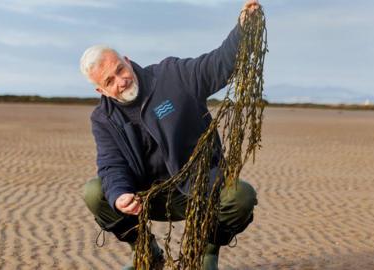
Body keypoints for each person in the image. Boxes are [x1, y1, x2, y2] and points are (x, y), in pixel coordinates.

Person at [81, 1, 260, 269]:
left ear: (127, 61)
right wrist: (120, 195)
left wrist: (243, 30)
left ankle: (205, 254)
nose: (121, 80)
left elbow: (217, 64)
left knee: (241, 196)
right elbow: (111, 165)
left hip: (198, 188)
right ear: (101, 91)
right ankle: (147, 254)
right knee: (95, 192)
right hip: (146, 198)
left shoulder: (173, 76)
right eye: (109, 81)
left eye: (120, 69)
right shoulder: (103, 118)